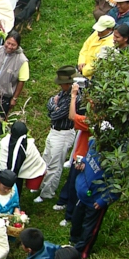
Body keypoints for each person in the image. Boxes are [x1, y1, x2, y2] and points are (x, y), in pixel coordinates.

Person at [35, 67, 81, 206]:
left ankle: (47, 193)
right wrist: (54, 107)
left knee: (55, 165)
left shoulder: (75, 97)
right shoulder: (64, 93)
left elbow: (56, 114)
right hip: (54, 131)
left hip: (63, 133)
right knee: (46, 159)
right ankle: (42, 186)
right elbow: (50, 103)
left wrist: (54, 108)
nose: (60, 86)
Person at [70, 139, 117, 258]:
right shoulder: (94, 142)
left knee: (89, 227)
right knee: (76, 219)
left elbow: (118, 186)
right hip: (82, 192)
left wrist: (104, 200)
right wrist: (82, 163)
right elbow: (86, 157)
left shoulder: (115, 162)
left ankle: (81, 252)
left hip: (95, 200)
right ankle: (74, 240)